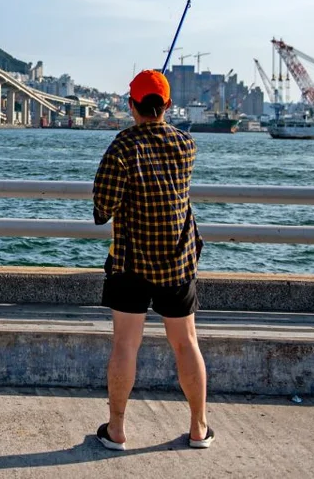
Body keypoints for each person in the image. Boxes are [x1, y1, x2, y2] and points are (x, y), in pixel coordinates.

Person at [91, 69, 211, 451]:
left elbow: (101, 209)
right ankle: (198, 429)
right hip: (177, 261)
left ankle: (117, 431)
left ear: (131, 106)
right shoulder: (186, 145)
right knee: (186, 343)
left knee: (126, 345)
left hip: (131, 264)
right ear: (168, 106)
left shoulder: (123, 147)